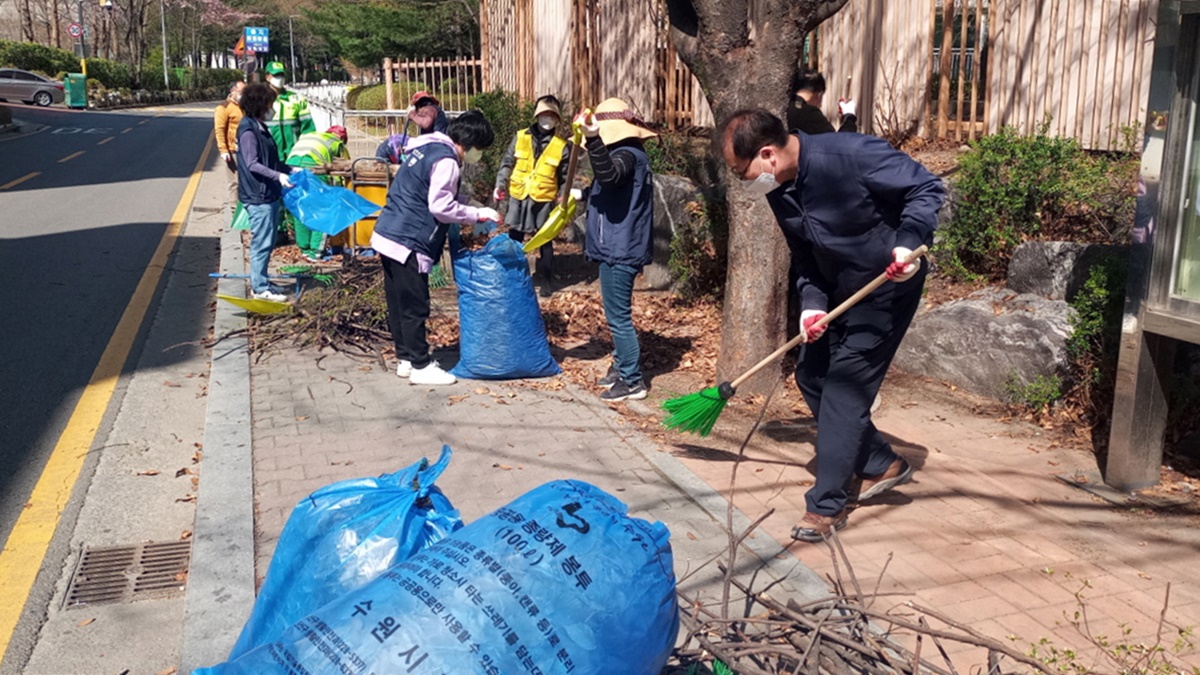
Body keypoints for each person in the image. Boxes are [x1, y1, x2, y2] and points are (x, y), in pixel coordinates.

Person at [715, 108, 944, 542]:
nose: (743, 180)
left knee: (844, 388)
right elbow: (805, 255)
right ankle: (881, 462)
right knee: (812, 374)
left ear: (767, 155)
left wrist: (908, 242)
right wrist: (812, 305)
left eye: (740, 171)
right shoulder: (780, 189)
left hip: (888, 285)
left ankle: (826, 506)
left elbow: (926, 187)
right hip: (838, 290)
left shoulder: (852, 155)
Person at [371, 110, 499, 386]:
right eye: (480, 149)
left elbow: (426, 188)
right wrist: (475, 214)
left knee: (398, 302)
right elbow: (439, 206)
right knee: (415, 304)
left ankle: (405, 358)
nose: (479, 155)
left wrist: (470, 203)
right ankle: (420, 365)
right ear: (471, 142)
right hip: (409, 239)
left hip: (388, 232)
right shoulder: (447, 160)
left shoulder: (427, 146)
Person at [575, 98, 656, 402]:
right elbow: (609, 187)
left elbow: (609, 176)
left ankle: (633, 381)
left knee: (619, 318)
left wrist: (593, 139)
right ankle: (621, 367)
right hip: (615, 244)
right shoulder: (627, 156)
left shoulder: (627, 156)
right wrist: (581, 194)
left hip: (622, 247)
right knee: (616, 314)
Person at [493, 94, 572, 297]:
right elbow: (507, 163)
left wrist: (563, 197)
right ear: (537, 115)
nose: (548, 118)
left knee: (545, 240)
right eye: (544, 114)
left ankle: (546, 281)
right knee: (515, 239)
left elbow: (565, 177)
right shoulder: (521, 137)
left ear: (557, 118)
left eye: (552, 115)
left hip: (543, 199)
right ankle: (512, 279)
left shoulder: (561, 146)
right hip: (519, 196)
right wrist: (500, 184)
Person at [236, 82, 297, 303]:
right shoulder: (248, 130)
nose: (272, 108)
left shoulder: (260, 127)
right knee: (261, 242)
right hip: (258, 195)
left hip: (268, 193)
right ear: (261, 105)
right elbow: (253, 163)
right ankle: (259, 288)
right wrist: (278, 176)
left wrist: (288, 169)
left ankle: (262, 280)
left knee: (268, 240)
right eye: (270, 103)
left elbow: (269, 160)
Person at [285, 125, 350, 261]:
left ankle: (305, 249)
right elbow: (344, 169)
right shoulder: (337, 143)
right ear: (342, 138)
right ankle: (316, 252)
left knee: (301, 207)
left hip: (291, 164)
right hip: (313, 167)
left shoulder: (315, 136)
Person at [375, 91, 450, 164]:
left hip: (436, 146)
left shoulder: (429, 109)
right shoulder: (434, 110)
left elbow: (425, 124)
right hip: (436, 145)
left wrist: (412, 114)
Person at [263, 61, 316, 162]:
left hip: (293, 155)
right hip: (269, 154)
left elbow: (308, 129)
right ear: (267, 77)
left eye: (282, 75)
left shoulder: (296, 99)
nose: (280, 78)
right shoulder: (259, 100)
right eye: (276, 75)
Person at [787, 69, 857, 135]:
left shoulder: (787, 106)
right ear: (819, 95)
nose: (820, 105)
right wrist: (849, 116)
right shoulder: (809, 113)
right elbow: (839, 142)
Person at [214, 80, 245, 205]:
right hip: (233, 152)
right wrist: (223, 150)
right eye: (242, 92)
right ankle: (234, 213)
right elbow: (219, 130)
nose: (245, 94)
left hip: (248, 150)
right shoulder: (223, 108)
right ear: (232, 91)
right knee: (235, 183)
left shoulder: (246, 106)